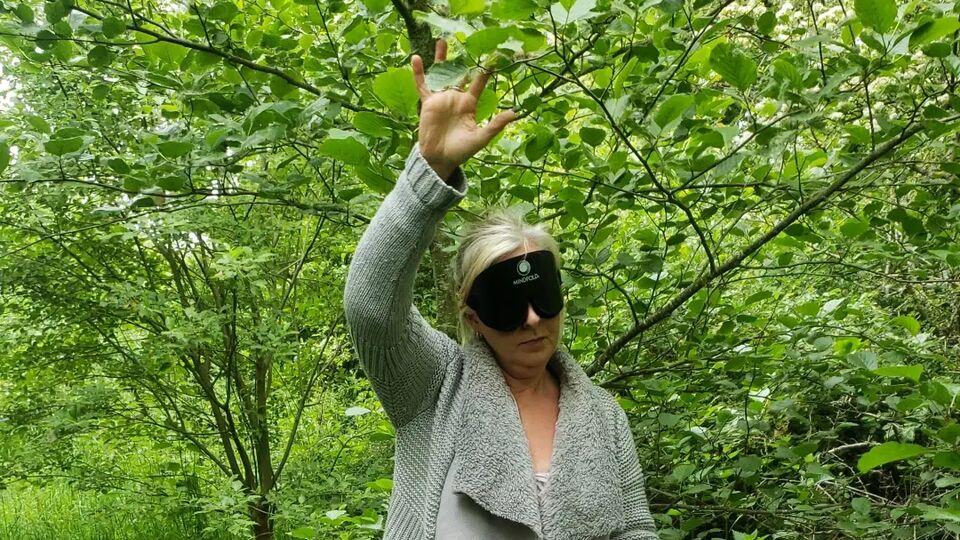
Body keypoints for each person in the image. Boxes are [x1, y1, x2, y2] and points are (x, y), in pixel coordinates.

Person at [343, 40, 657, 540]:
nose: (533, 319)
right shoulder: (434, 386)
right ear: (474, 318)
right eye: (509, 305)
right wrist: (429, 170)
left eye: (545, 300)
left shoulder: (602, 415)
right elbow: (371, 310)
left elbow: (637, 531)